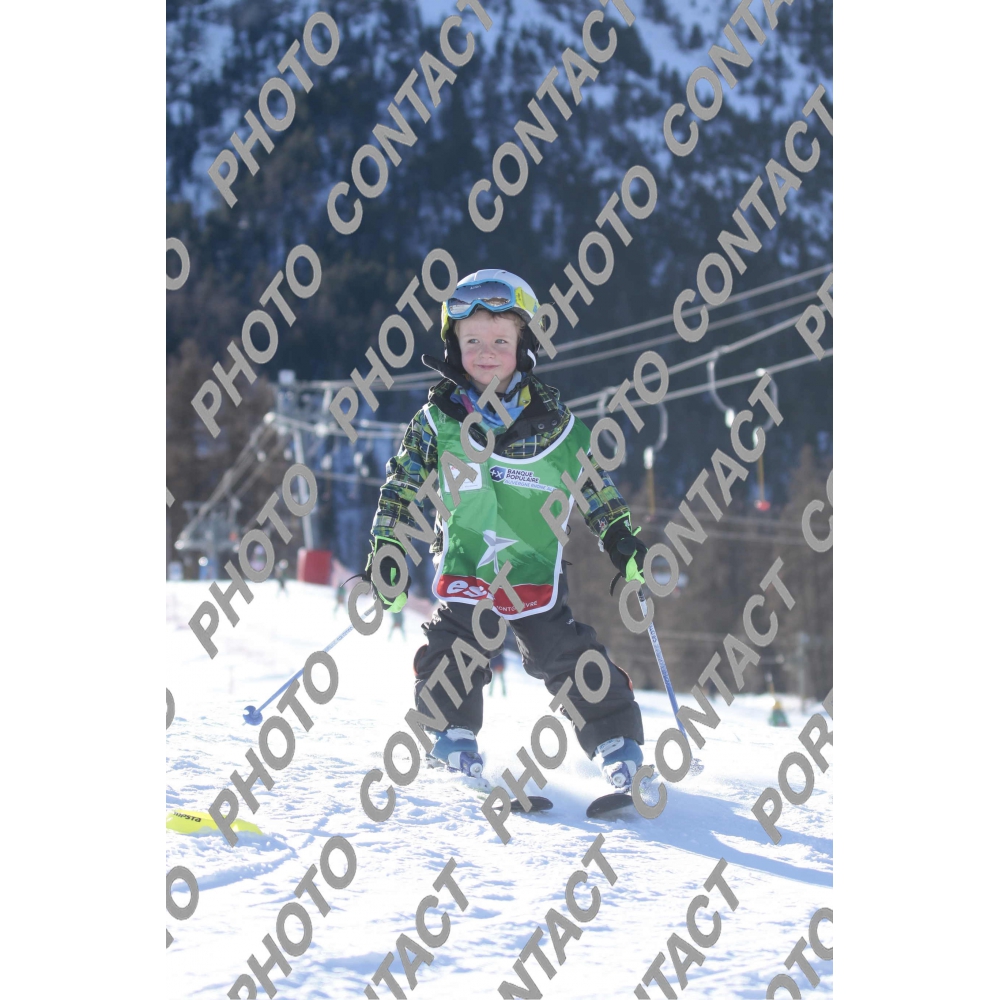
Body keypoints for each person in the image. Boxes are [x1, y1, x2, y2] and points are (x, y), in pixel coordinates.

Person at [361, 269, 649, 793]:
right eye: (472, 341)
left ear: (524, 346)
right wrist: (388, 546)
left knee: (559, 650)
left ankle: (615, 739)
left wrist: (619, 537)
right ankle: (449, 731)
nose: (486, 353)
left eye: (500, 341)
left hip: (533, 564)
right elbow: (401, 485)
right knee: (456, 641)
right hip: (468, 559)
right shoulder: (437, 421)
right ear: (454, 347)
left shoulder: (557, 426)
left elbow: (595, 488)